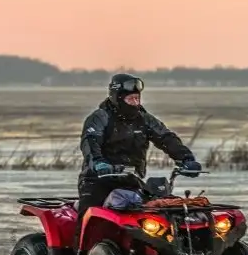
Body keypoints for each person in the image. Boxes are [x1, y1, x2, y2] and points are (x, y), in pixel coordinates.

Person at [74, 73, 202, 239]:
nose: (135, 103)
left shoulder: (145, 120)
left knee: (153, 214)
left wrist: (186, 158)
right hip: (97, 180)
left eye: (137, 98)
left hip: (131, 180)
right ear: (117, 98)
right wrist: (98, 162)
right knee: (89, 221)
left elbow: (166, 138)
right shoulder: (100, 118)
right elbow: (90, 142)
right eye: (130, 99)